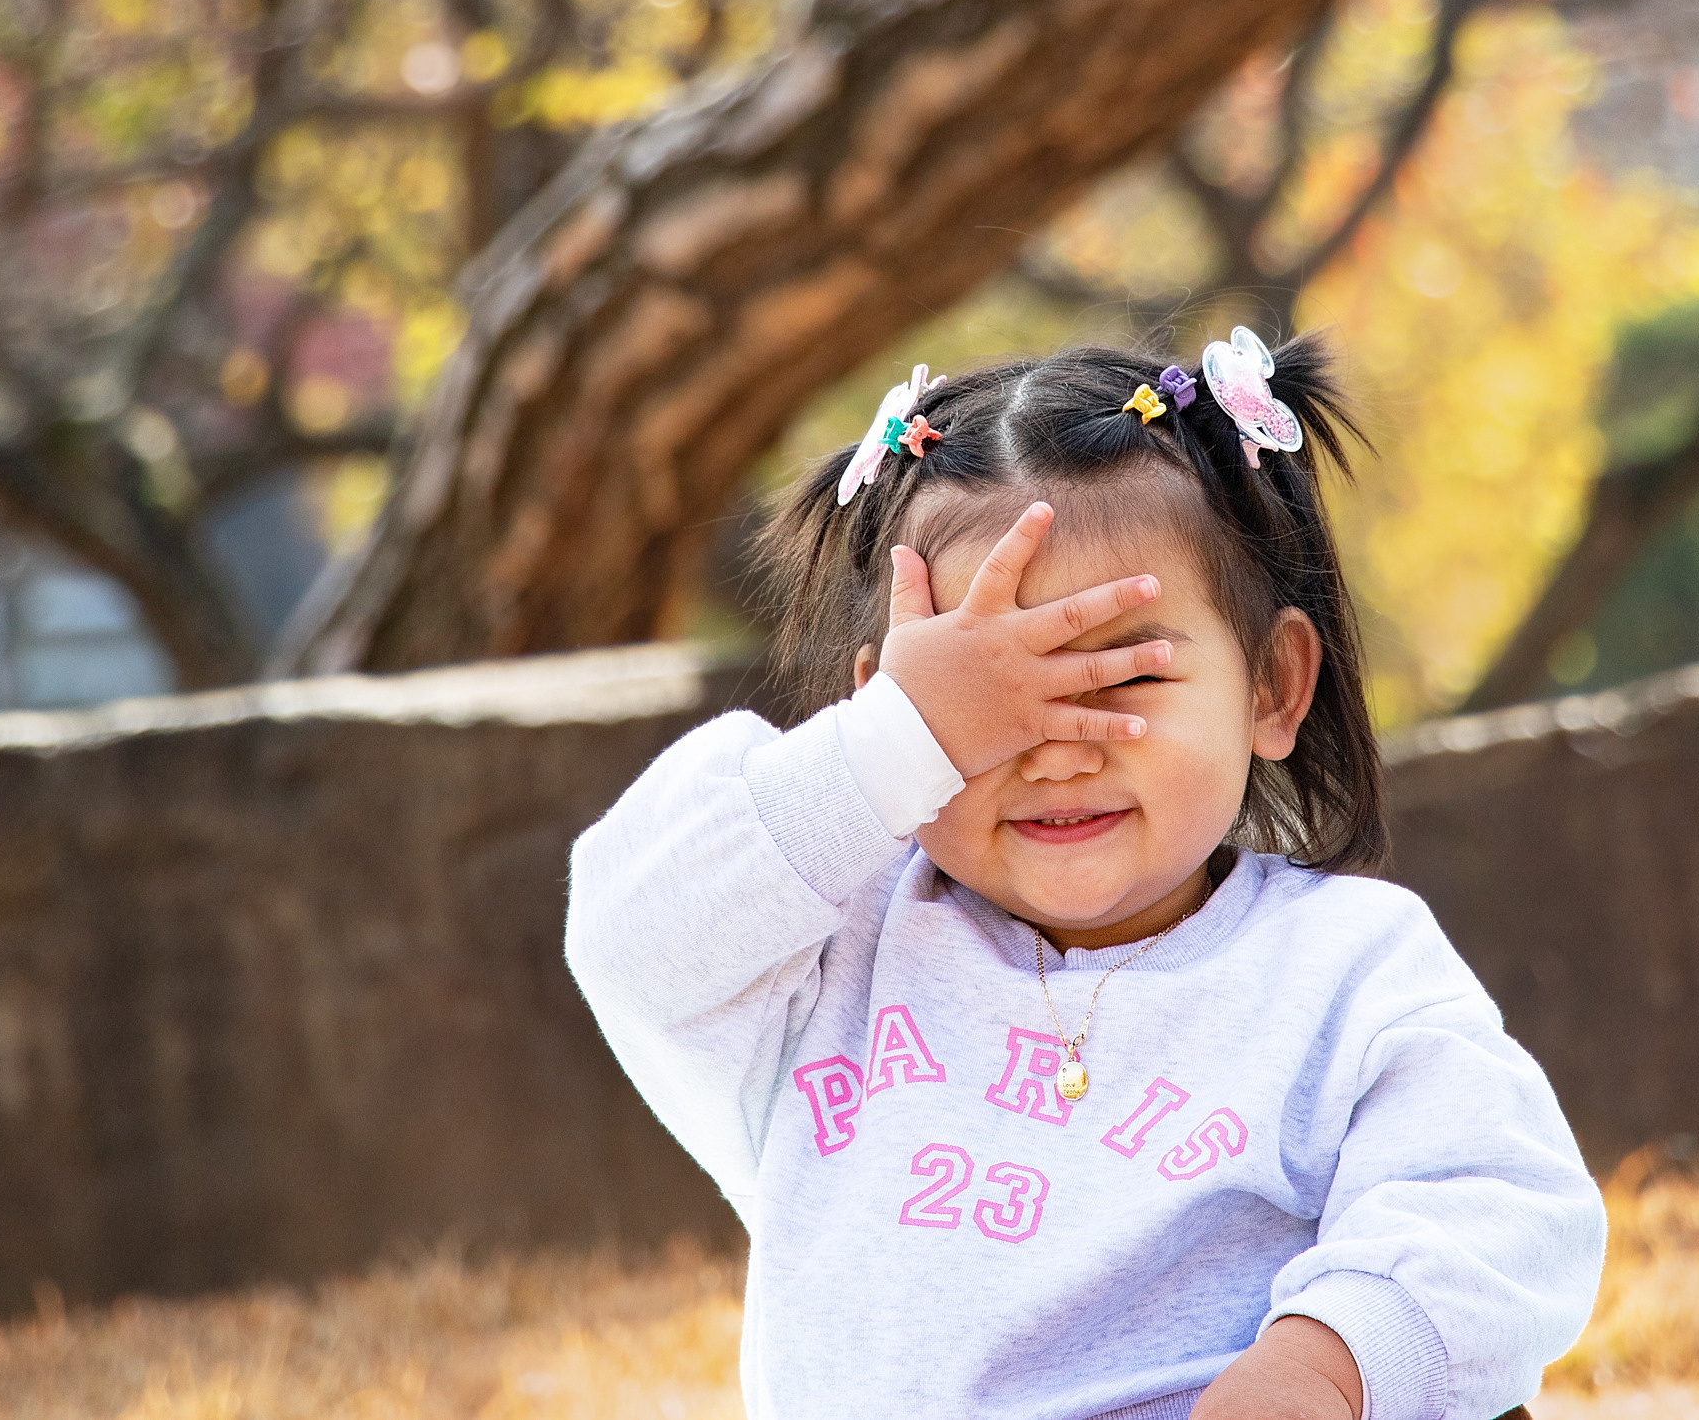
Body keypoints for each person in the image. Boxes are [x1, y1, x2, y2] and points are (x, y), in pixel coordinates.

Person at [566, 330, 1606, 1420]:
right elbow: (629, 932)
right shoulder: (820, 961)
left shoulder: (1344, 965)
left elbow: (1497, 1199)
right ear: (881, 701)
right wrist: (892, 746)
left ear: (1272, 686)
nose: (1057, 747)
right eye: (978, 698)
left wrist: (1326, 1362)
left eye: (1126, 670)